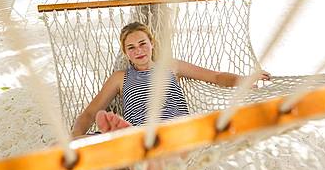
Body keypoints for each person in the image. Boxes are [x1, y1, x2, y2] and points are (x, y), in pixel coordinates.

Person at [72, 22, 270, 137]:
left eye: (143, 43)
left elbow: (216, 77)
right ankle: (131, 149)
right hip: (138, 132)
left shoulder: (171, 66)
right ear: (125, 52)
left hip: (174, 128)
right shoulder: (120, 78)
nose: (138, 50)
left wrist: (243, 80)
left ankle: (131, 154)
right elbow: (90, 113)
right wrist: (75, 137)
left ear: (152, 43)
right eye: (131, 47)